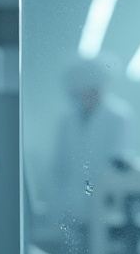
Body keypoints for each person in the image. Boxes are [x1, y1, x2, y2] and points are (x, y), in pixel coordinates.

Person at [50, 53, 134, 225]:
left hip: (105, 209)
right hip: (70, 208)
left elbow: (116, 165)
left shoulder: (118, 117)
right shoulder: (67, 121)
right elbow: (59, 168)